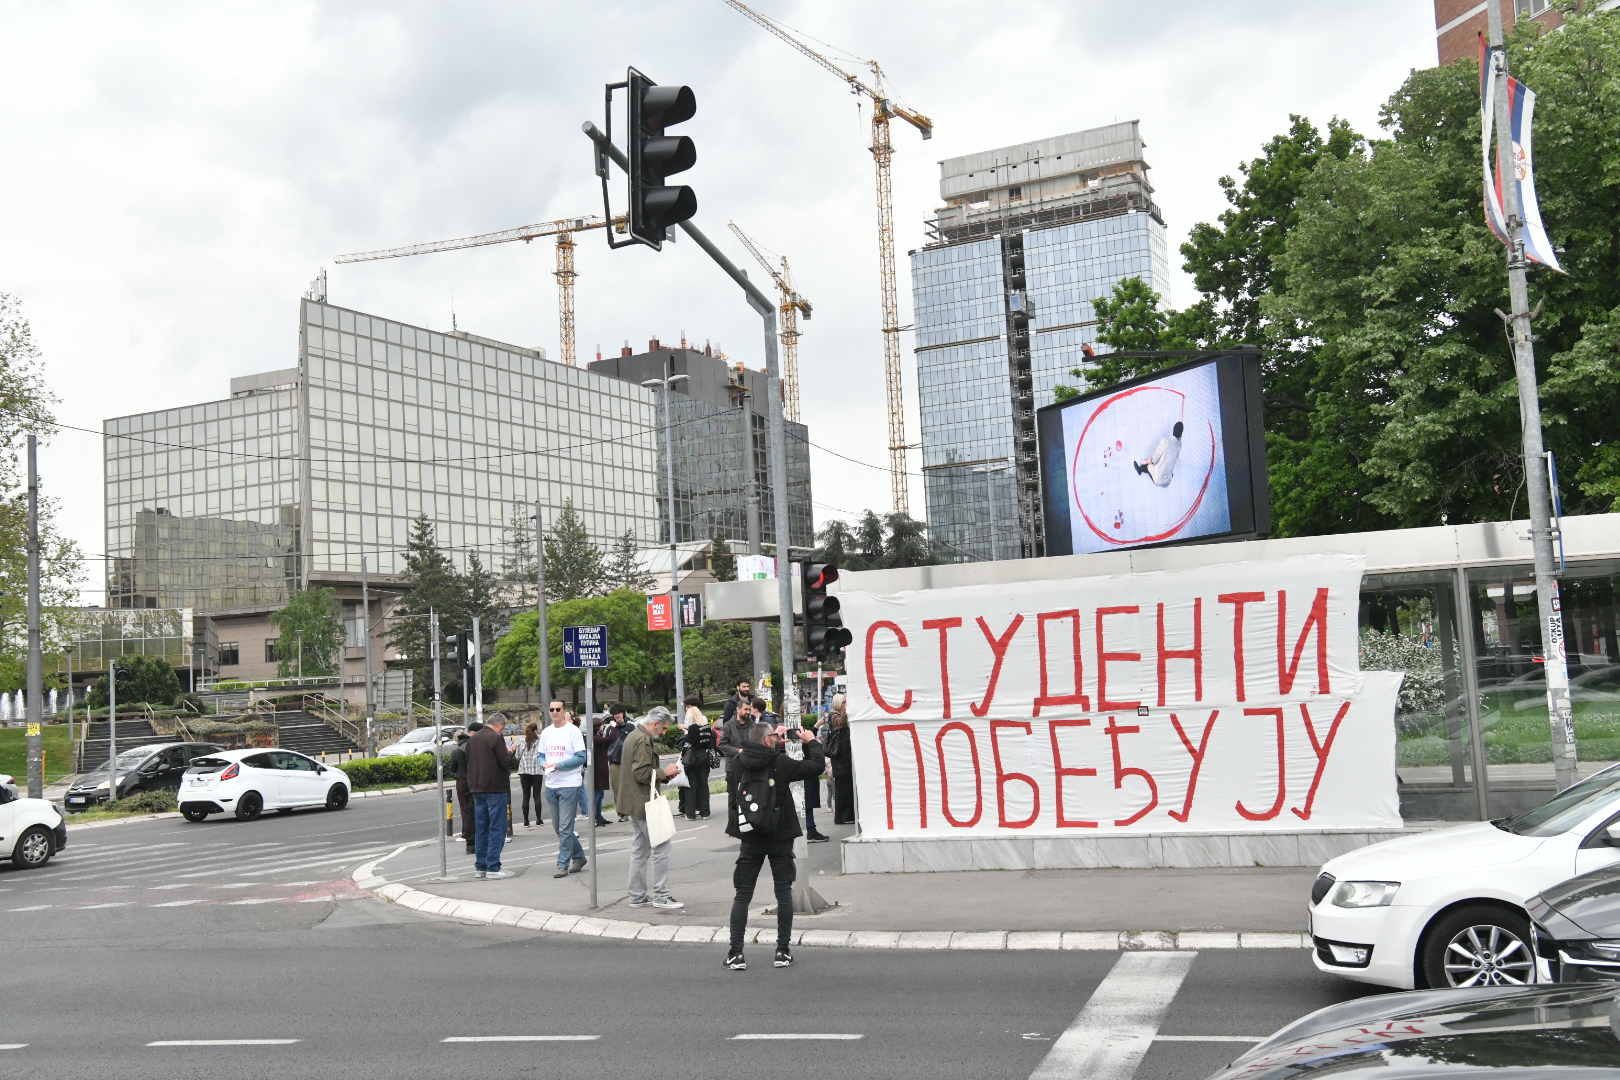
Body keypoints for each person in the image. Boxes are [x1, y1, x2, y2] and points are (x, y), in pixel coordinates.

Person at [723, 721, 826, 971]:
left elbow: (734, 795)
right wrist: (810, 741)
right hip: (780, 837)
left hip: (750, 837)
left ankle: (736, 953)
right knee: (783, 892)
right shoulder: (780, 764)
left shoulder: (737, 764)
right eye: (772, 737)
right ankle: (782, 951)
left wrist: (771, 742)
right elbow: (816, 766)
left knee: (743, 895)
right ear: (769, 740)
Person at [619, 705, 684, 910]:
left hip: (634, 801)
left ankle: (637, 896)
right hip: (643, 801)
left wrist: (662, 774)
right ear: (655, 724)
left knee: (640, 849)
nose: (663, 733)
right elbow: (641, 773)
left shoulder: (634, 735)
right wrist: (665, 772)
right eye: (663, 729)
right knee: (661, 846)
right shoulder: (643, 740)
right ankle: (661, 895)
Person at [539, 699, 587, 878]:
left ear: (564, 710)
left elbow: (580, 757)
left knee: (566, 827)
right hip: (551, 784)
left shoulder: (572, 731)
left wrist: (559, 765)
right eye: (551, 709)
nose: (554, 712)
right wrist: (543, 764)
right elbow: (540, 755)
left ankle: (562, 864)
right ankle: (580, 856)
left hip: (569, 784)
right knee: (558, 828)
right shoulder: (546, 732)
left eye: (558, 709)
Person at [465, 712, 517, 879]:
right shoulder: (496, 738)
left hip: (476, 788)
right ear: (499, 725)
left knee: (482, 829)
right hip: (495, 788)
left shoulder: (473, 739)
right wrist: (509, 752)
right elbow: (505, 762)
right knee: (497, 828)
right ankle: (493, 867)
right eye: (503, 727)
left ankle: (480, 867)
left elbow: (469, 760)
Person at [677, 695, 715, 820]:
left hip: (693, 757)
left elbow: (688, 743)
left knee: (691, 786)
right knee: (704, 785)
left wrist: (686, 733)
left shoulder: (692, 728)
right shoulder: (707, 727)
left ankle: (691, 814)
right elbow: (710, 741)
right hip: (705, 756)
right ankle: (705, 812)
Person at [718, 695, 767, 785]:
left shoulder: (753, 725)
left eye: (749, 710)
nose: (748, 712)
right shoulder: (728, 726)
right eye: (745, 709)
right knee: (733, 796)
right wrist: (738, 750)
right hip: (733, 767)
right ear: (738, 709)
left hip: (749, 766)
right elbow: (722, 745)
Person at [799, 716, 829, 843]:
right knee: (806, 802)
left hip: (805, 771)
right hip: (806, 771)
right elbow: (809, 746)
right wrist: (815, 728)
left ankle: (811, 829)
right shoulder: (800, 735)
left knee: (806, 802)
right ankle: (810, 830)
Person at [826, 696, 855, 825]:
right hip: (840, 757)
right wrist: (846, 711)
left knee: (847, 787)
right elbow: (840, 723)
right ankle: (842, 816)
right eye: (844, 702)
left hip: (844, 756)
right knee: (842, 788)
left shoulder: (835, 713)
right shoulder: (834, 714)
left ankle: (848, 815)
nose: (845, 704)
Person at [447, 728, 474, 853]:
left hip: (461, 781)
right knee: (474, 808)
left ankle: (465, 833)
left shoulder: (457, 751)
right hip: (474, 781)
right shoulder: (472, 748)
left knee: (465, 809)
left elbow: (452, 767)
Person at [605, 703, 634, 822]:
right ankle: (622, 813)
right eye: (614, 714)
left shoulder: (630, 727)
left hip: (628, 762)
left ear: (623, 713)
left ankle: (632, 809)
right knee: (617, 788)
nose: (617, 715)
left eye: (619, 713)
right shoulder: (609, 728)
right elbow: (606, 742)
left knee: (630, 787)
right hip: (614, 761)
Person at [1134, 420, 1183, 487]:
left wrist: (1147, 461)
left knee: (1148, 465)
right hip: (1167, 482)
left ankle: (1140, 469)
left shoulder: (1166, 441)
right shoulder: (1179, 446)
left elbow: (1155, 458)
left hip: (1158, 479)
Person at [516, 721, 545, 828]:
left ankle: (526, 821)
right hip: (536, 771)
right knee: (537, 796)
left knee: (525, 796)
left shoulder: (522, 741)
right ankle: (538, 819)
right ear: (536, 731)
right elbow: (543, 755)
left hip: (524, 771)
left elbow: (517, 756)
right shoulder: (539, 742)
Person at [590, 711, 614, 827]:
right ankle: (596, 817)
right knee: (597, 796)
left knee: (600, 795)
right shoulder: (594, 738)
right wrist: (613, 728)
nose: (603, 726)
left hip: (601, 769)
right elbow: (610, 739)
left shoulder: (597, 737)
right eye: (602, 725)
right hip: (597, 770)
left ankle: (599, 816)